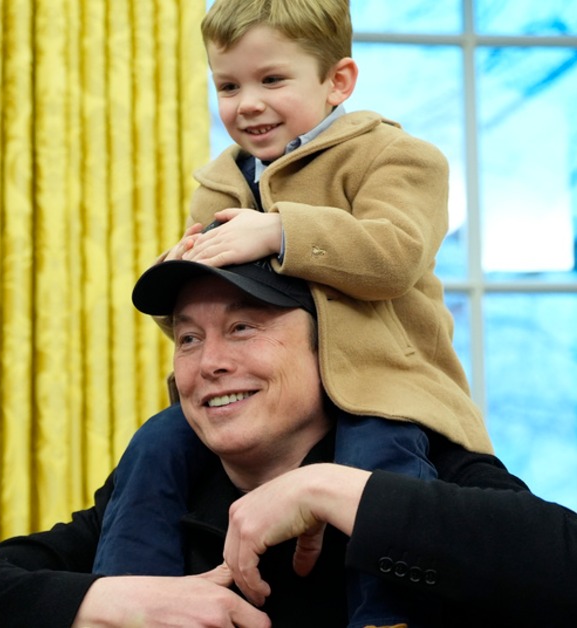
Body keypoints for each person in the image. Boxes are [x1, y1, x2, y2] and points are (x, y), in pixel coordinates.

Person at [0, 259, 577, 627]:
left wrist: (323, 490)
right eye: (188, 339)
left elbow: (568, 574)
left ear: (331, 348)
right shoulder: (155, 498)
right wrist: (112, 602)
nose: (209, 363)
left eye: (243, 328)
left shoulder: (422, 464)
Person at [94, 1, 490, 625]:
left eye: (272, 80)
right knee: (156, 443)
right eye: (228, 86)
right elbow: (204, 312)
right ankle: (131, 598)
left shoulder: (395, 157)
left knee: (377, 461)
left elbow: (396, 255)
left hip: (379, 387)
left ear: (338, 81)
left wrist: (281, 231)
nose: (247, 104)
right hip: (276, 397)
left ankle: (387, 615)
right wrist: (183, 270)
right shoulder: (220, 182)